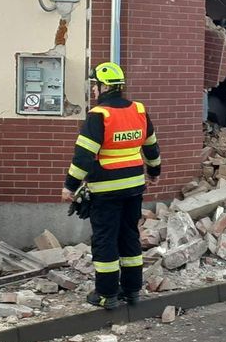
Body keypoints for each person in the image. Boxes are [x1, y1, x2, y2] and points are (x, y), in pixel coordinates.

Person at [61, 62, 161, 310]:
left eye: (94, 85)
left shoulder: (99, 115)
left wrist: (70, 186)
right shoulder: (138, 110)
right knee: (129, 236)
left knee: (105, 240)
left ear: (104, 86)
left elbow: (84, 156)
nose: (93, 90)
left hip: (106, 189)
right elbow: (151, 147)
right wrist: (155, 172)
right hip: (135, 187)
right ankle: (132, 290)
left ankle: (106, 294)